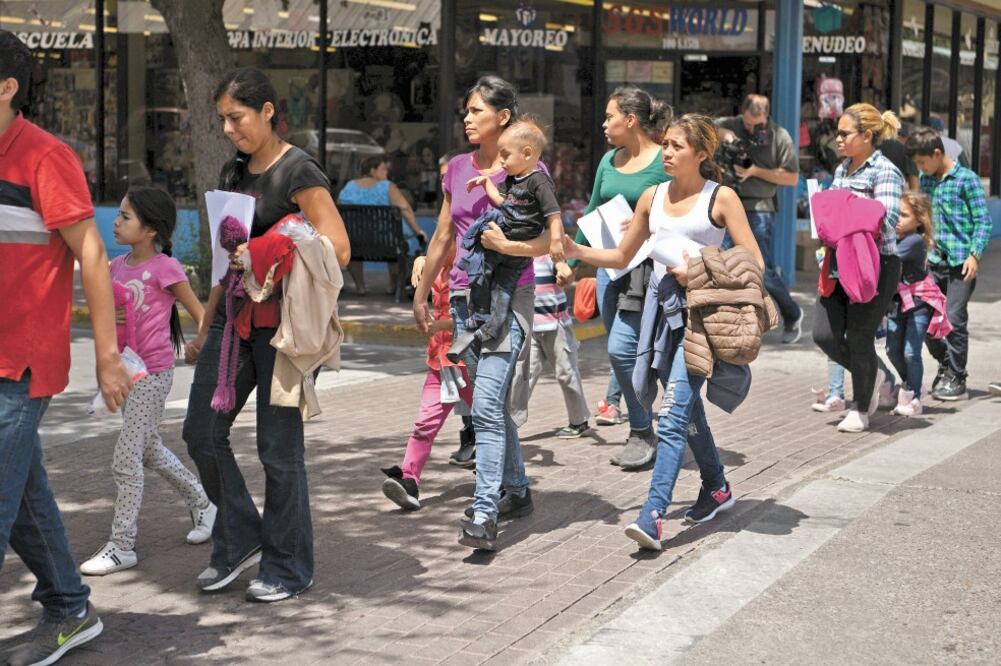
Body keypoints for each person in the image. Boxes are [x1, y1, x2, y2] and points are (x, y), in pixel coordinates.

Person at [183, 68, 350, 602]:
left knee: (277, 451)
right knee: (200, 432)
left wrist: (271, 245)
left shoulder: (299, 171)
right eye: (223, 120)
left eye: (237, 117)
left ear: (269, 111)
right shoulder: (233, 171)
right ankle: (238, 539)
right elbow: (222, 261)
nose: (229, 129)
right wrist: (204, 324)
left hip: (286, 331)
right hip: (234, 322)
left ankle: (288, 566)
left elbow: (338, 249)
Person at [563, 114, 764, 550]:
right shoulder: (651, 197)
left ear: (702, 154)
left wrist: (700, 270)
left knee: (672, 417)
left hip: (698, 323)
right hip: (659, 321)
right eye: (666, 144)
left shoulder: (721, 198)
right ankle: (716, 486)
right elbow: (621, 256)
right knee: (686, 411)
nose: (667, 153)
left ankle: (652, 515)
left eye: (677, 146)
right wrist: (576, 250)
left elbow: (755, 262)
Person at [0, 30, 132, 665]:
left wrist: (107, 355)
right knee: (23, 494)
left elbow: (92, 253)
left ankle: (69, 606)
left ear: (7, 89)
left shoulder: (45, 158)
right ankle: (70, 604)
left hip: (19, 366)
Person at [413, 76, 544, 552]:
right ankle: (519, 489)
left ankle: (485, 510)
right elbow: (444, 235)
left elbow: (553, 241)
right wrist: (424, 291)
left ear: (502, 117)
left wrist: (508, 245)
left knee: (486, 405)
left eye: (476, 111)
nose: (467, 119)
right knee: (491, 406)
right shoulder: (456, 169)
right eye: (465, 112)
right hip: (467, 302)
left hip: (513, 300)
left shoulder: (527, 170)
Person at [78, 188, 216, 576]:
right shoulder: (116, 266)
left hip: (154, 375)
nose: (116, 223)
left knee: (127, 458)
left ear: (151, 229)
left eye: (125, 217)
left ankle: (123, 544)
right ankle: (204, 504)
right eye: (117, 215)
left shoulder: (166, 268)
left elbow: (200, 313)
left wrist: (198, 344)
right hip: (128, 371)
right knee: (149, 449)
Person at [569, 86, 671, 469]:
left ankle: (643, 430)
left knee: (621, 351)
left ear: (630, 120)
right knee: (623, 353)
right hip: (610, 270)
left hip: (648, 274)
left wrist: (651, 220)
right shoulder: (609, 161)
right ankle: (652, 426)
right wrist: (573, 257)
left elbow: (683, 204)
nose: (604, 123)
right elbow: (594, 209)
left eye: (609, 116)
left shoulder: (665, 160)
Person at [812, 104, 905, 433]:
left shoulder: (886, 171)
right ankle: (873, 374)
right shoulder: (842, 170)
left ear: (867, 136)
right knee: (823, 334)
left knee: (861, 336)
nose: (837, 139)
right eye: (837, 133)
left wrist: (842, 209)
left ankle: (861, 408)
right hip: (837, 262)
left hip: (875, 265)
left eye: (844, 133)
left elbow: (887, 218)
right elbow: (838, 217)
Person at [449, 118, 564, 359]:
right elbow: (502, 202)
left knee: (502, 290)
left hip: (516, 253)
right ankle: (479, 315)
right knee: (481, 273)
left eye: (505, 155)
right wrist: (486, 183)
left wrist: (555, 241)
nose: (501, 161)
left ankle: (490, 328)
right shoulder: (512, 180)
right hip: (501, 240)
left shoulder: (539, 181)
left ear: (527, 153)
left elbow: (553, 213)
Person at [380, 248, 472, 510]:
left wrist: (440, 326)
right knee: (424, 424)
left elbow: (480, 316)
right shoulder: (432, 263)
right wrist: (423, 260)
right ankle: (409, 482)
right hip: (440, 361)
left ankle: (509, 480)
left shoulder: (473, 264)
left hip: (470, 361)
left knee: (492, 424)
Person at [906, 126, 992, 401]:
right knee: (929, 322)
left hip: (961, 264)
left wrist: (974, 255)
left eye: (922, 162)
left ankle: (957, 375)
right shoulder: (927, 180)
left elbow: (983, 221)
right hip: (933, 263)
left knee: (953, 319)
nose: (920, 168)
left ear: (937, 153)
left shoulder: (967, 180)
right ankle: (946, 364)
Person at [718, 94, 804, 344]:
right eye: (747, 123)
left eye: (757, 124)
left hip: (758, 209)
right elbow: (704, 127)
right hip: (726, 204)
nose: (752, 128)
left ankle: (792, 313)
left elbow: (791, 177)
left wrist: (755, 171)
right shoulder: (732, 124)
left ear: (766, 116)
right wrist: (726, 135)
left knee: (758, 268)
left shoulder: (779, 136)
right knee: (723, 264)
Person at [885, 191, 943, 416]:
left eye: (904, 215)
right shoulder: (895, 238)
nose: (897, 219)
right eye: (896, 214)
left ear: (919, 220)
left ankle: (914, 396)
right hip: (898, 303)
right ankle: (911, 385)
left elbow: (889, 257)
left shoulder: (913, 241)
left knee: (911, 351)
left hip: (918, 303)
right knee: (892, 350)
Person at [338, 153, 428, 296]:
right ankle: (392, 286)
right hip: (386, 242)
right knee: (398, 245)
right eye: (383, 169)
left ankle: (360, 286)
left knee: (353, 246)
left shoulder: (349, 187)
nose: (387, 172)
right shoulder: (387, 187)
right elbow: (405, 209)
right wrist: (418, 231)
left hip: (356, 242)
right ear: (372, 171)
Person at [525, 255, 590, 438]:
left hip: (556, 326)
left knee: (566, 373)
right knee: (524, 376)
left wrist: (565, 272)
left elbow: (565, 270)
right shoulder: (519, 254)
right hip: (531, 328)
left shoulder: (550, 254)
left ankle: (579, 422)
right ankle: (508, 422)